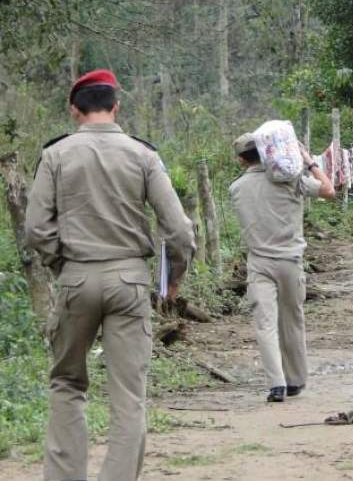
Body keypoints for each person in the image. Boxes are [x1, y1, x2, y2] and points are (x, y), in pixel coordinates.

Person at [24, 69, 196, 481]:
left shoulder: (56, 154)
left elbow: (35, 227)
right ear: (116, 107)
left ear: (74, 110)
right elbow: (179, 229)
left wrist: (62, 263)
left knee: (67, 382)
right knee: (129, 397)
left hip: (76, 279)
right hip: (130, 281)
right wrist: (173, 278)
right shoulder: (143, 155)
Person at [229, 133, 334, 403]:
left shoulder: (236, 189)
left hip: (259, 264)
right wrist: (310, 162)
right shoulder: (291, 180)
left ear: (241, 160)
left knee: (265, 324)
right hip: (290, 261)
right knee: (292, 322)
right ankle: (296, 380)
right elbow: (329, 190)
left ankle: (276, 384)